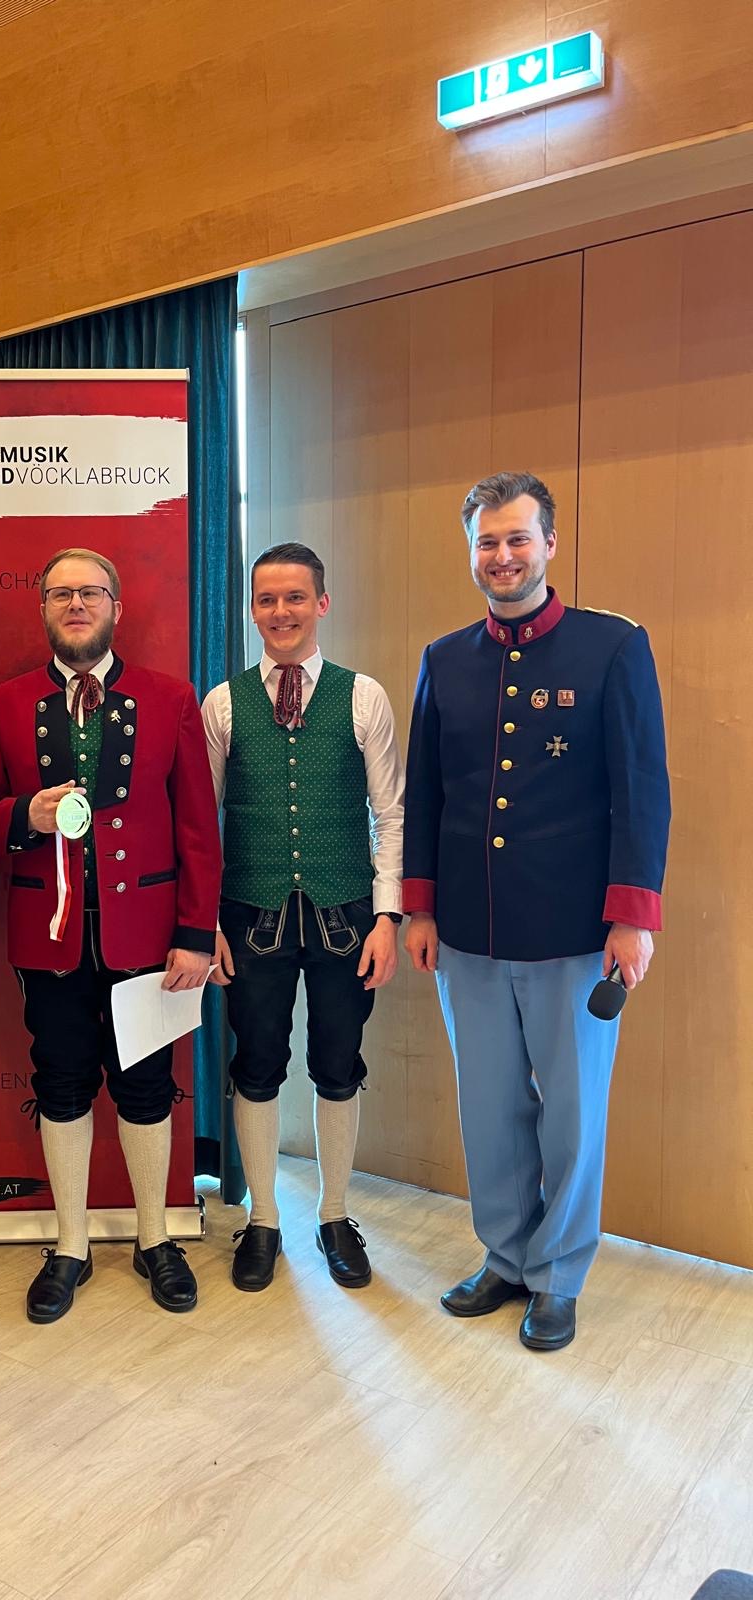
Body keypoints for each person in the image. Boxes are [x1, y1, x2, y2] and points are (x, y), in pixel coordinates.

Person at [403, 471, 670, 1351]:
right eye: (487, 542)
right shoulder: (444, 659)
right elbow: (427, 793)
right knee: (489, 1111)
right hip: (470, 931)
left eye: (518, 538)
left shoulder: (612, 646)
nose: (503, 556)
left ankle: (558, 1276)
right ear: (471, 552)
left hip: (573, 932)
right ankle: (507, 1257)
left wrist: (632, 917)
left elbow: (641, 789)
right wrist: (419, 908)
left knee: (572, 1115)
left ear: (550, 543)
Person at [0, 548, 221, 1324]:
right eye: (61, 593)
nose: (77, 604)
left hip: (151, 939)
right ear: (42, 608)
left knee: (147, 1087)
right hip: (51, 940)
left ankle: (154, 1238)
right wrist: (24, 815)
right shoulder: (1, 705)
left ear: (116, 607)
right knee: (62, 1084)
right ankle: (70, 1245)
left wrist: (196, 933)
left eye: (91, 592)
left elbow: (197, 827)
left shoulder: (171, 698)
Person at [203, 542, 404, 1292]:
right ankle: (262, 1221)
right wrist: (204, 922)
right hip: (248, 915)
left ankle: (335, 1215)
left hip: (346, 915)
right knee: (256, 1064)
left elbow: (391, 813)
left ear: (321, 603)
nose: (280, 611)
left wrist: (388, 917)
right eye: (267, 599)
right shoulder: (223, 703)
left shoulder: (364, 697)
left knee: (338, 1063)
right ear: (252, 611)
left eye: (294, 597)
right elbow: (201, 824)